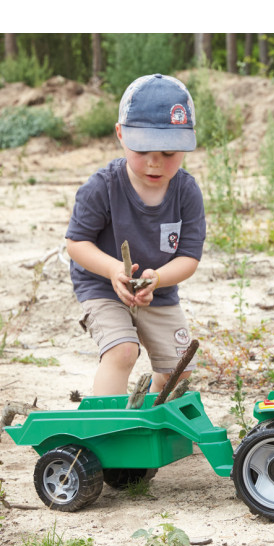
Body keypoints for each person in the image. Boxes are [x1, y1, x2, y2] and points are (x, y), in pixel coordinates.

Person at [65, 73, 204, 396]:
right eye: (143, 150)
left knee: (178, 368)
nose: (155, 163)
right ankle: (108, 432)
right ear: (120, 135)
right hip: (102, 286)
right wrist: (114, 270)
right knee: (122, 351)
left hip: (159, 289)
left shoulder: (186, 192)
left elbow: (188, 257)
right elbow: (77, 243)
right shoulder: (102, 187)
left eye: (169, 153)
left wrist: (158, 278)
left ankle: (152, 418)